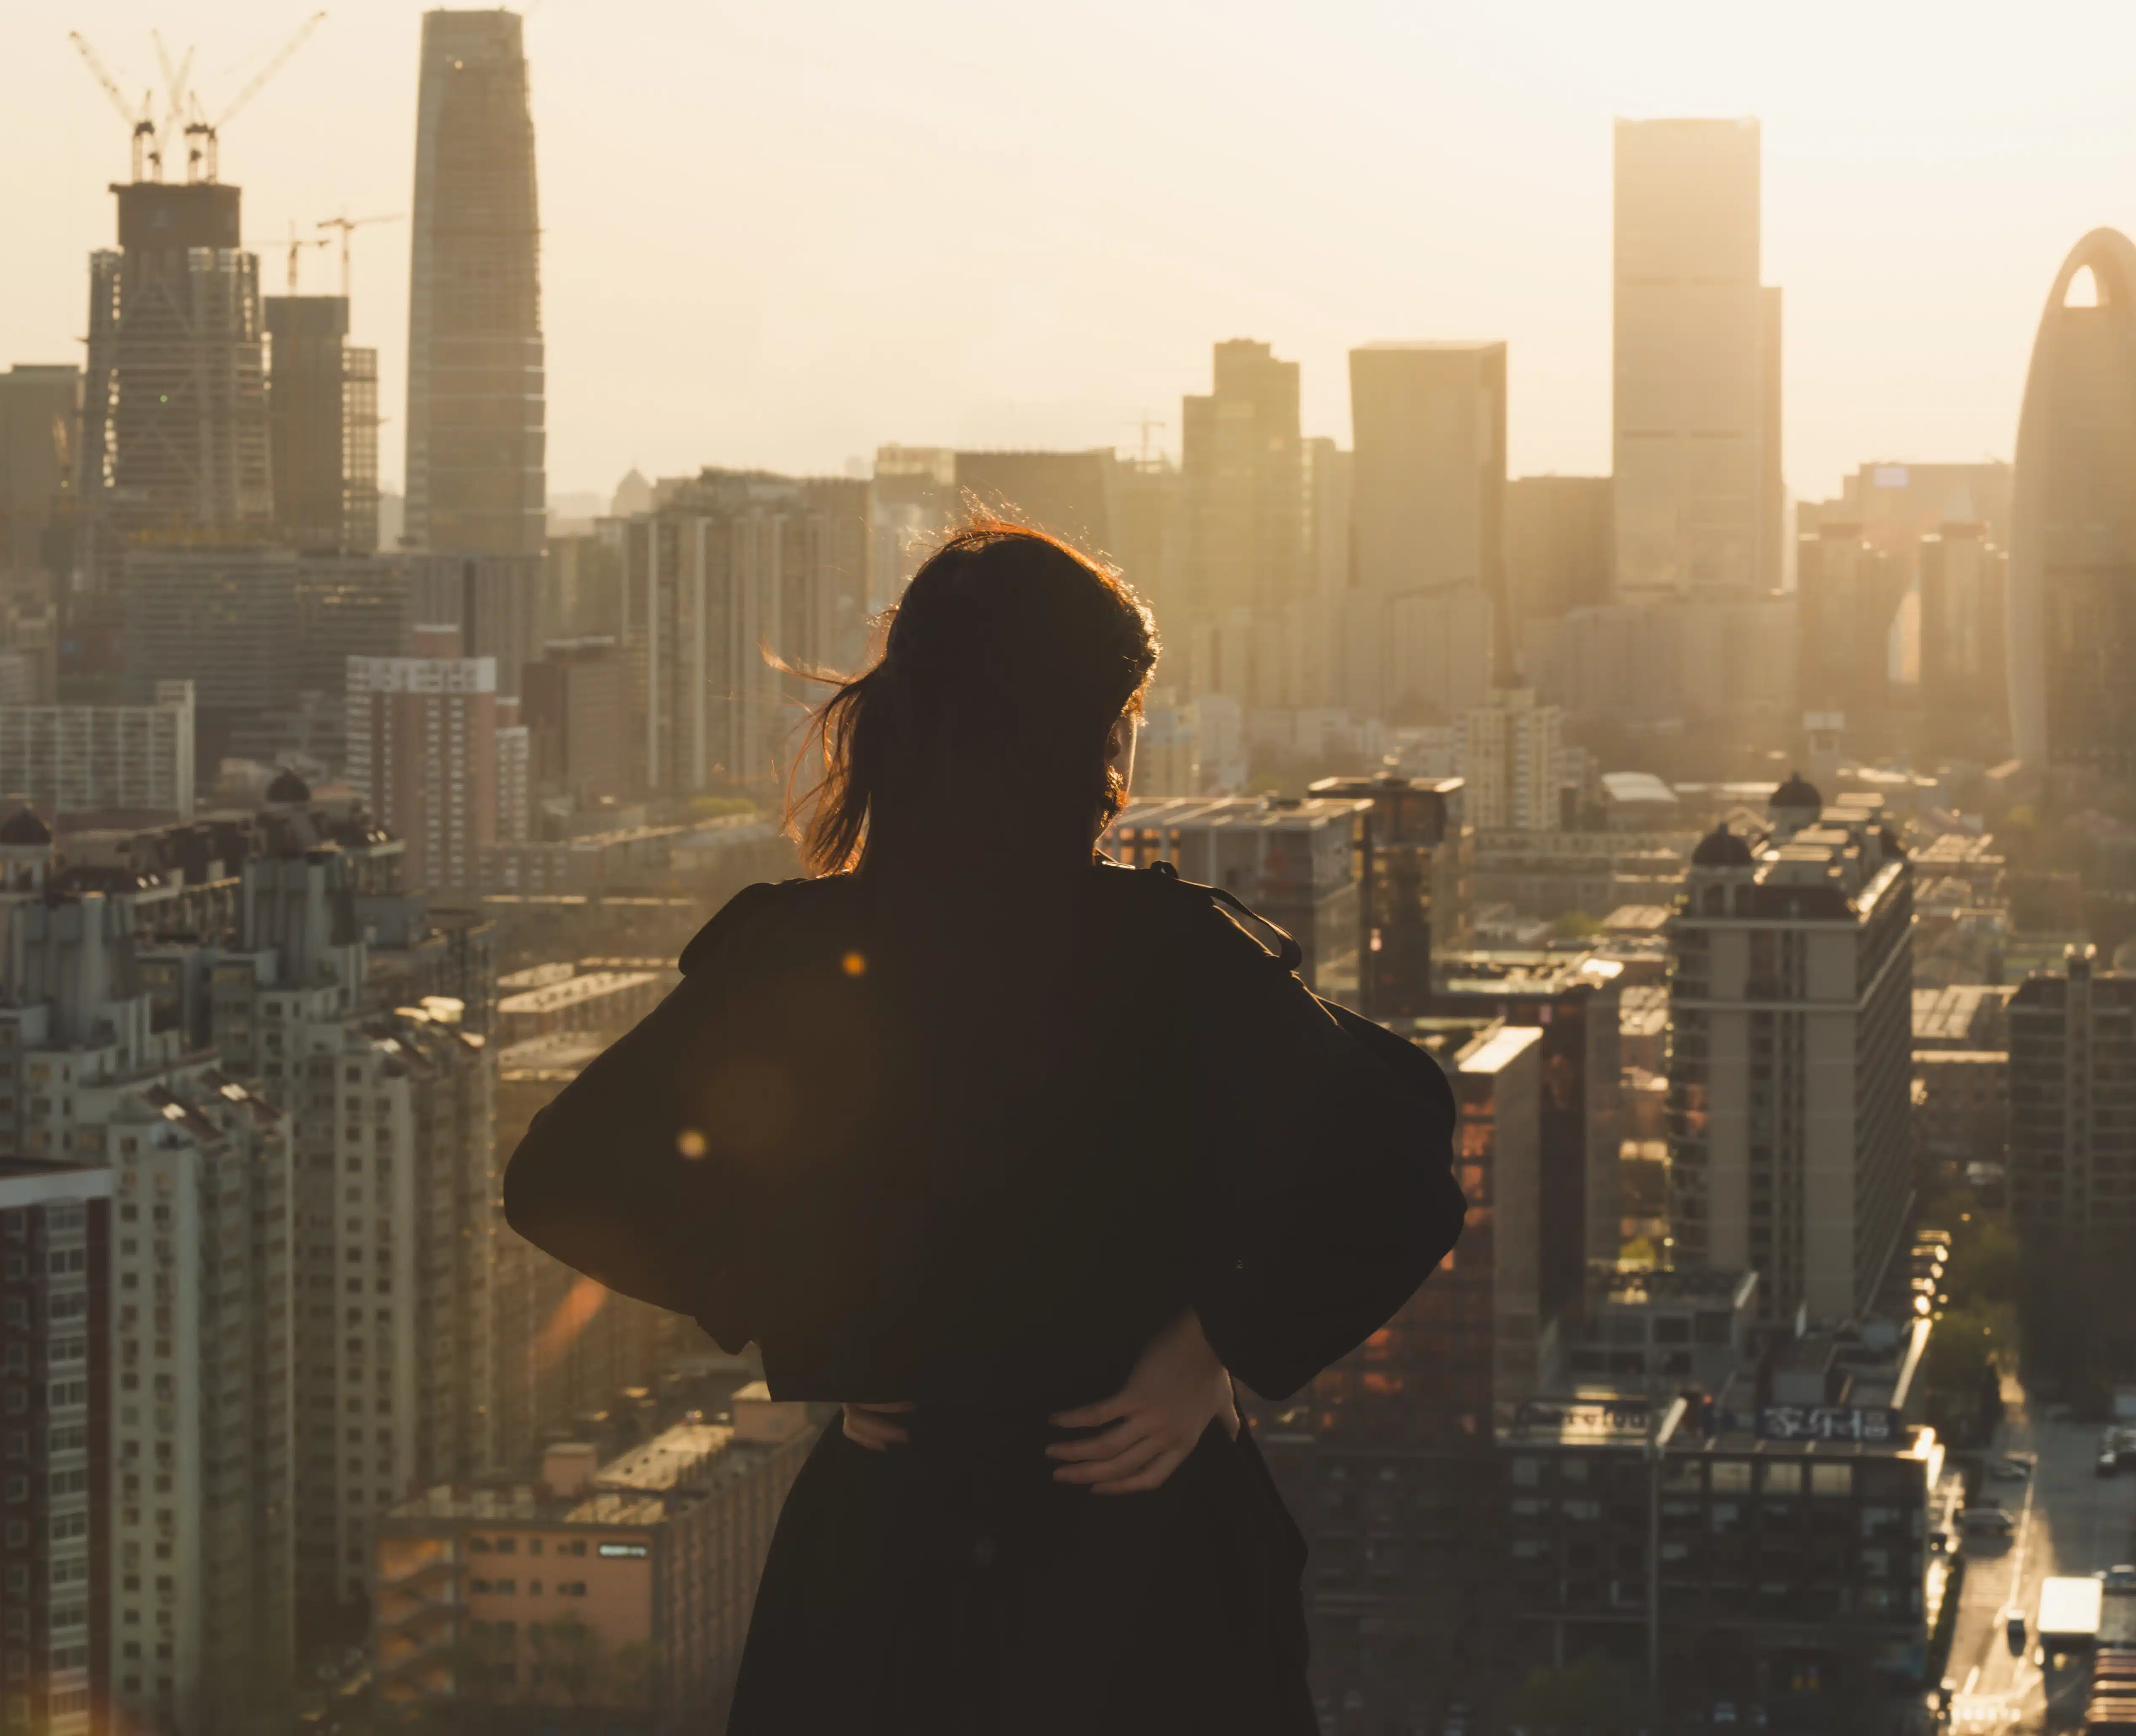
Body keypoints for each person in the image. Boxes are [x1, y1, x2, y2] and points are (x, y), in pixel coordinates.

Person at [504, 518, 1464, 1735]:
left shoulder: (799, 955)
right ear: (1091, 729)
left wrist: (824, 1326)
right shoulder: (1172, 958)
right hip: (1142, 1577)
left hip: (890, 1569)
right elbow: (1403, 1157)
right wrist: (1213, 1344)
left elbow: (571, 1175)